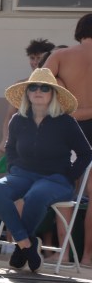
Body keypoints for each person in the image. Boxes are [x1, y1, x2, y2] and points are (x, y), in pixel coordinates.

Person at [0, 68, 91, 272]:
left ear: (52, 94)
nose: (38, 91)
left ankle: (21, 248)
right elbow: (10, 148)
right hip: (22, 175)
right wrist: (13, 169)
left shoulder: (65, 122)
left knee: (36, 194)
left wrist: (69, 176)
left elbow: (85, 153)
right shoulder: (18, 119)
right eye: (33, 87)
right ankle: (27, 244)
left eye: (45, 88)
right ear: (27, 93)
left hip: (56, 179)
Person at [45, 13, 92, 265]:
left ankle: (63, 253)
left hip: (68, 126)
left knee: (64, 189)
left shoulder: (61, 56)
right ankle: (87, 257)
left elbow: (37, 88)